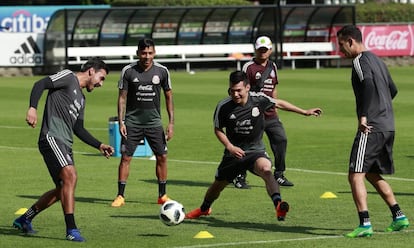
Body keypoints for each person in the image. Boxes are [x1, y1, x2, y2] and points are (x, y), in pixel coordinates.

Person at [186, 71, 321, 221]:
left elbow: (279, 103)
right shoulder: (223, 106)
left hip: (256, 150)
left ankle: (278, 205)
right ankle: (204, 209)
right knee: (218, 185)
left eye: (239, 90)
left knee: (266, 170)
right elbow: (218, 129)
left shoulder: (259, 100)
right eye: (232, 90)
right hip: (234, 154)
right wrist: (230, 147)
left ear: (248, 87)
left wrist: (304, 112)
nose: (235, 94)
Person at [13, 57, 114, 242]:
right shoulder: (68, 77)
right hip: (51, 137)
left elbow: (78, 129)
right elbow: (40, 83)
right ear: (91, 71)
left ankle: (25, 219)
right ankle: (71, 230)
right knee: (71, 176)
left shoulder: (81, 99)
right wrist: (32, 108)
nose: (101, 84)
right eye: (102, 78)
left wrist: (99, 145)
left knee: (62, 190)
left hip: (65, 143)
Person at [336, 25, 409, 238]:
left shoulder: (359, 61)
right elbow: (392, 89)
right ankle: (399, 216)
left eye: (341, 45)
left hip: (372, 127)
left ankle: (365, 223)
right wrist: (381, 107)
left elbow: (367, 84)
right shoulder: (378, 60)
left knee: (355, 175)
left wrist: (365, 116)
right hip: (388, 125)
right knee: (370, 172)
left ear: (351, 41)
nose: (341, 50)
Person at [234, 35, 323, 189]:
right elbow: (241, 90)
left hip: (270, 113)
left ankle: (279, 174)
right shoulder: (248, 67)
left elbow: (274, 90)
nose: (262, 52)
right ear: (255, 50)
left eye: (265, 49)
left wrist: (276, 108)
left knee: (281, 140)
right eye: (260, 49)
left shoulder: (273, 66)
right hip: (253, 115)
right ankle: (239, 176)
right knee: (248, 145)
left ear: (270, 50)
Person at [111, 38, 174, 207]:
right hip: (132, 123)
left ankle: (162, 195)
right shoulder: (128, 71)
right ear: (138, 53)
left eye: (150, 53)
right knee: (125, 158)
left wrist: (171, 123)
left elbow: (169, 97)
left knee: (162, 157)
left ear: (155, 53)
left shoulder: (162, 71)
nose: (147, 56)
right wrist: (121, 121)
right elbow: (122, 98)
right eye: (144, 53)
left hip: (154, 123)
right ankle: (120, 196)